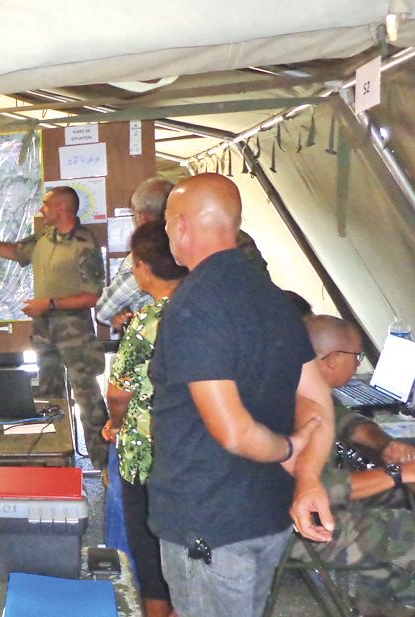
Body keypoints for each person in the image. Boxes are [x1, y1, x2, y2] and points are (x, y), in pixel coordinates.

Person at [146, 174, 334, 617]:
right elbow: (316, 400)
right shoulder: (272, 297)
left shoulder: (195, 305)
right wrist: (306, 477)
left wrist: (287, 448)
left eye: (170, 224)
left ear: (182, 225)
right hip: (265, 515)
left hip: (210, 522)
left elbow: (233, 431)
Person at [0, 187, 110, 468]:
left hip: (75, 335)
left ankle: (104, 467)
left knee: (88, 402)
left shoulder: (84, 242)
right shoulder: (43, 236)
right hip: (44, 333)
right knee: (48, 399)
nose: (42, 210)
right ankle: (53, 465)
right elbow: (16, 253)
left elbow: (93, 295)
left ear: (62, 207)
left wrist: (50, 304)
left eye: (46, 205)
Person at [101, 221, 188, 617]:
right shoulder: (204, 308)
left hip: (148, 447)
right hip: (196, 446)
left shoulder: (146, 321)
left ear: (143, 267)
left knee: (149, 544)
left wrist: (116, 426)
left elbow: (119, 391)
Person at [301, 314, 415, 614]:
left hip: (311, 511)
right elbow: (319, 490)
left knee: (400, 498)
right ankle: (379, 603)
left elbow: (348, 423)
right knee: (408, 528)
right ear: (332, 359)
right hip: (302, 527)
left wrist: (385, 445)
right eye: (356, 357)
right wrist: (396, 472)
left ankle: (376, 602)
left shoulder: (308, 390)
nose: (357, 364)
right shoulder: (293, 405)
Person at [96, 176, 269, 331]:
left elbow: (105, 310)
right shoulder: (240, 240)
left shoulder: (149, 253)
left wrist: (123, 312)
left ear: (143, 217)